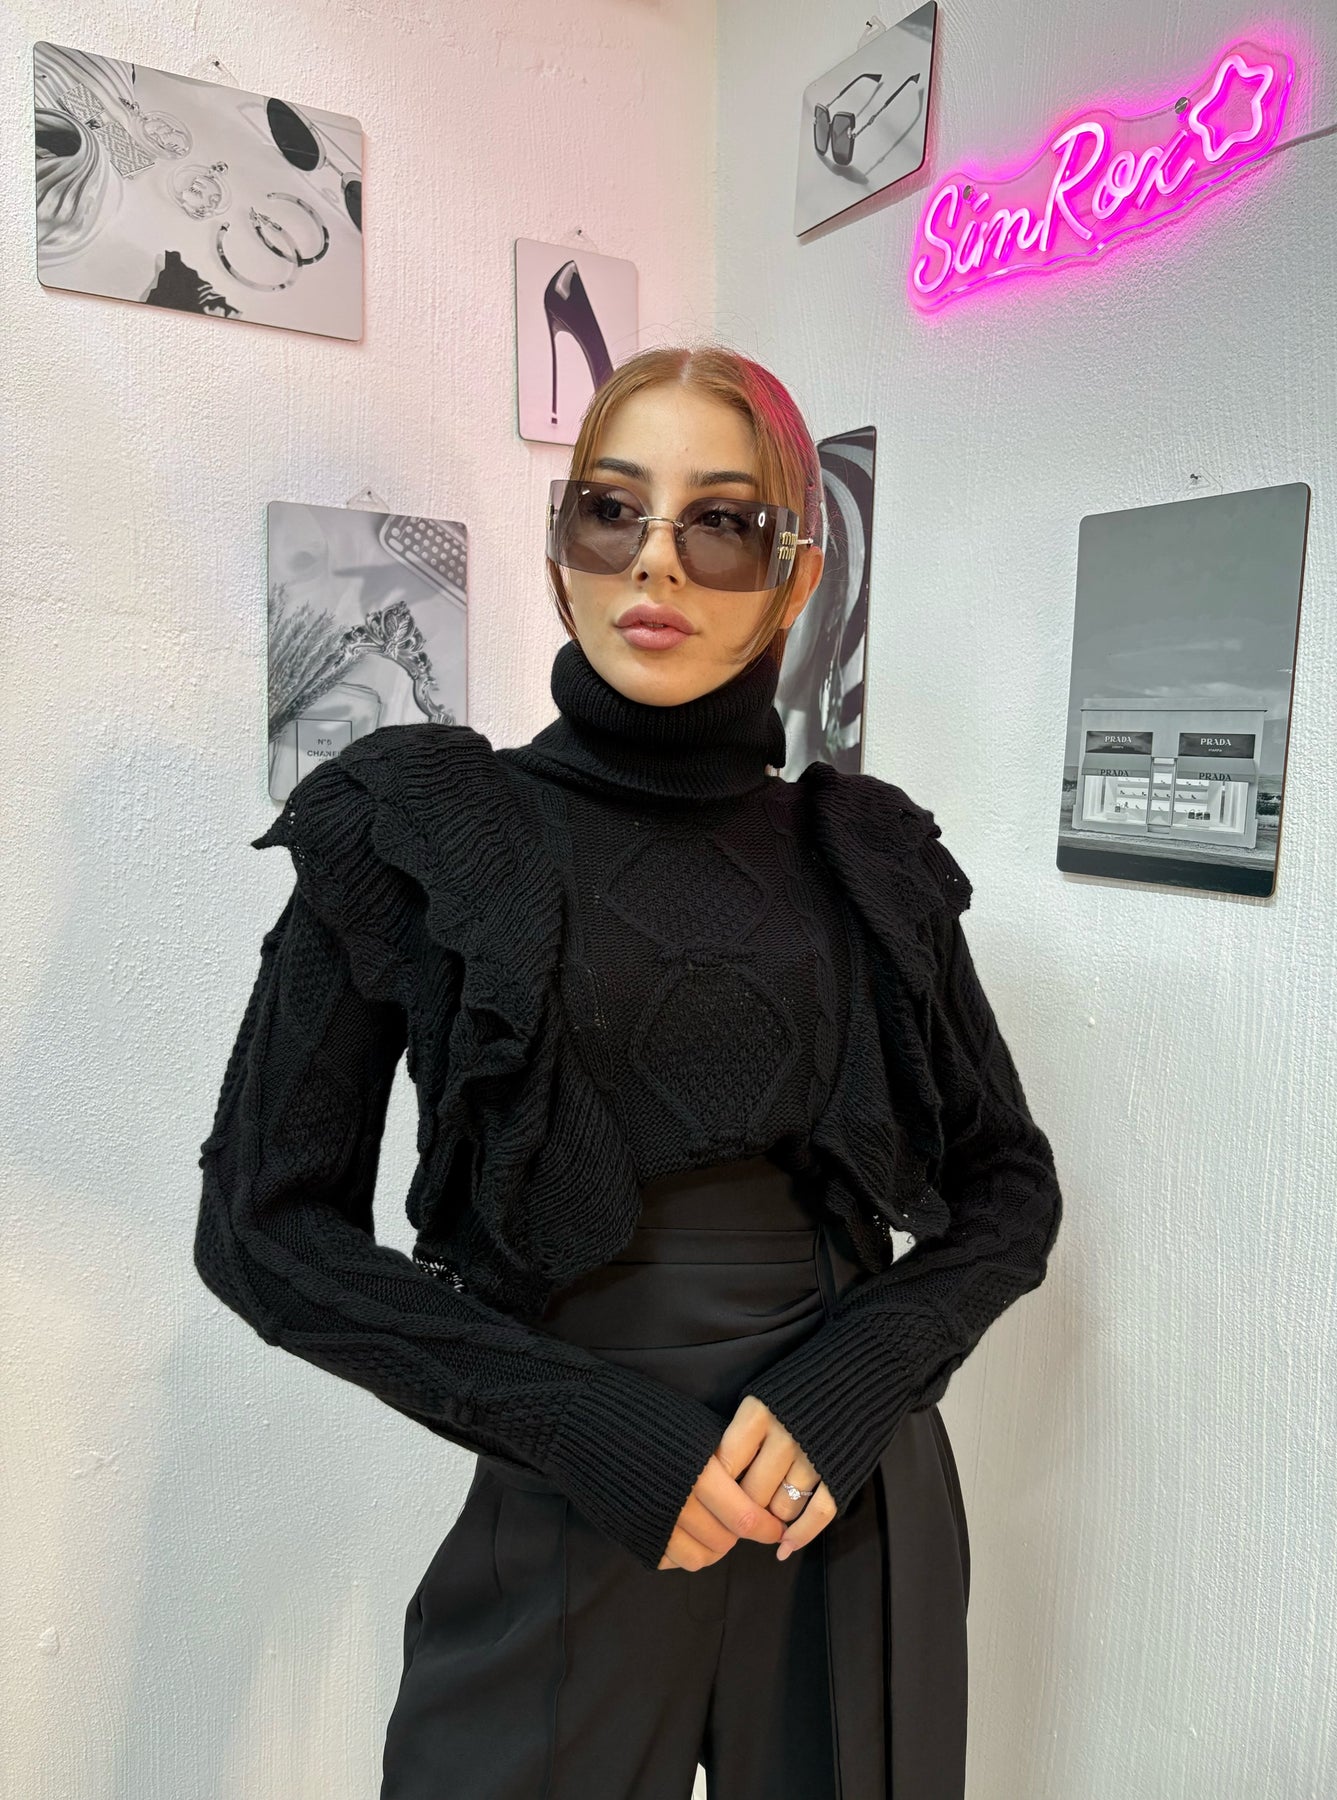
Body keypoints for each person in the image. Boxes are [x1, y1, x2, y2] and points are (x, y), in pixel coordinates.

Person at [194, 344, 1064, 1799]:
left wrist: (862, 1378)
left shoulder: (866, 849)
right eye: (612, 509)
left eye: (720, 521)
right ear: (563, 543)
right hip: (577, 1487)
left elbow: (1008, 1187)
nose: (655, 559)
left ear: (792, 576)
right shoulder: (413, 827)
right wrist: (581, 1426)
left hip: (843, 1492)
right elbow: (261, 1229)